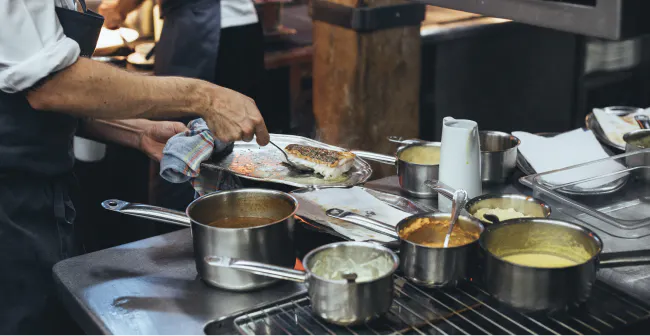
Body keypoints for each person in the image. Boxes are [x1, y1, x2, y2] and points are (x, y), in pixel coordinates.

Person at [0, 0, 269, 334]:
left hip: (45, 196)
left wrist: (136, 130)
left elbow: (23, 90)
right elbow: (53, 84)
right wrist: (205, 97)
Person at [99, 0, 265, 211]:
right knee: (235, 145)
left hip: (202, 32)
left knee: (181, 143)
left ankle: (181, 231)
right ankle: (243, 221)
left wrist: (118, 10)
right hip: (246, 28)